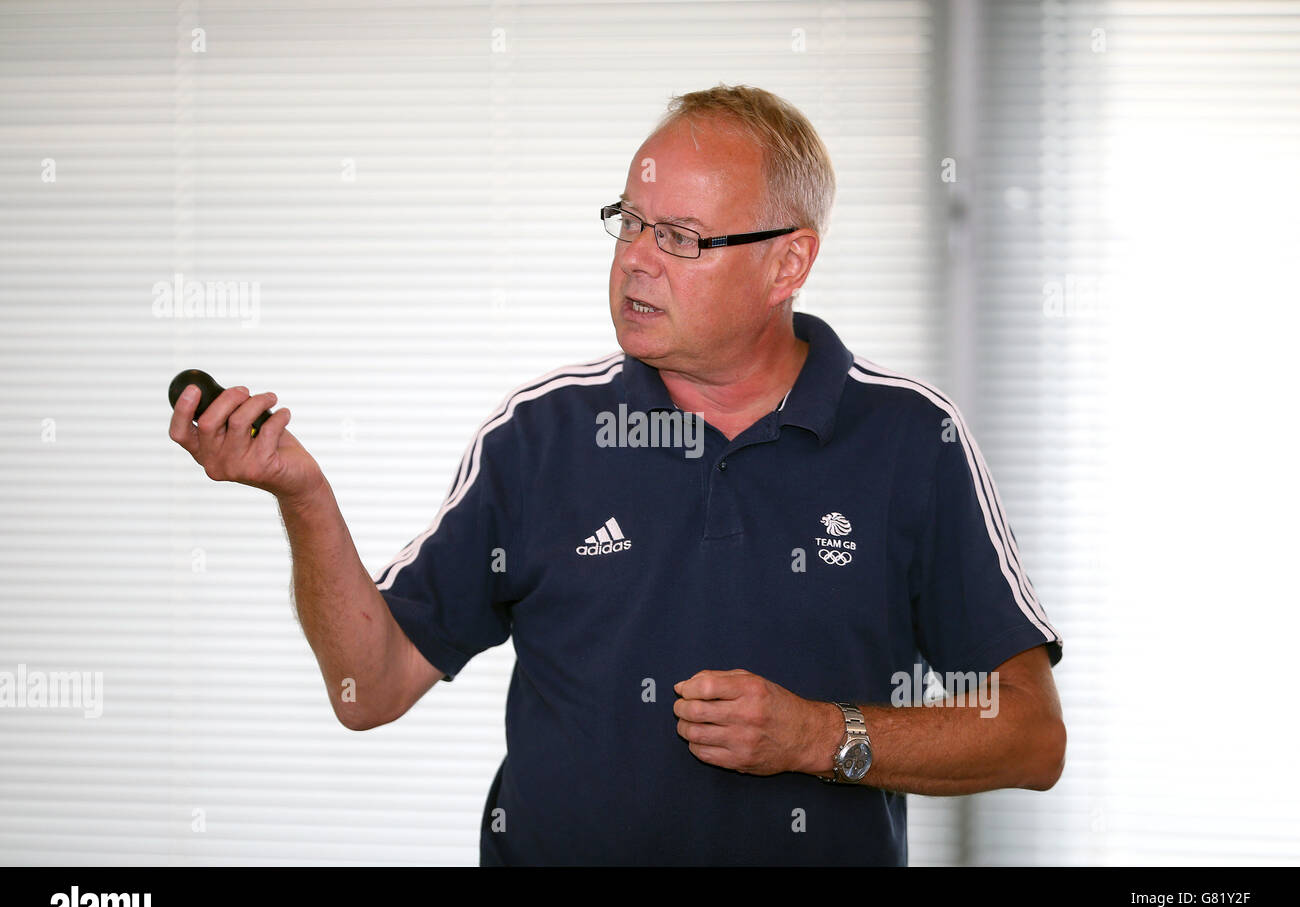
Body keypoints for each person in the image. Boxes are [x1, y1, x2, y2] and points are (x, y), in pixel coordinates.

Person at [168, 84, 1065, 866]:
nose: (635, 257)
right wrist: (303, 496)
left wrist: (821, 737)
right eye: (630, 222)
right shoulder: (540, 435)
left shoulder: (914, 441)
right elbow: (370, 687)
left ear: (787, 262)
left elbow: (1032, 735)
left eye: (679, 237)